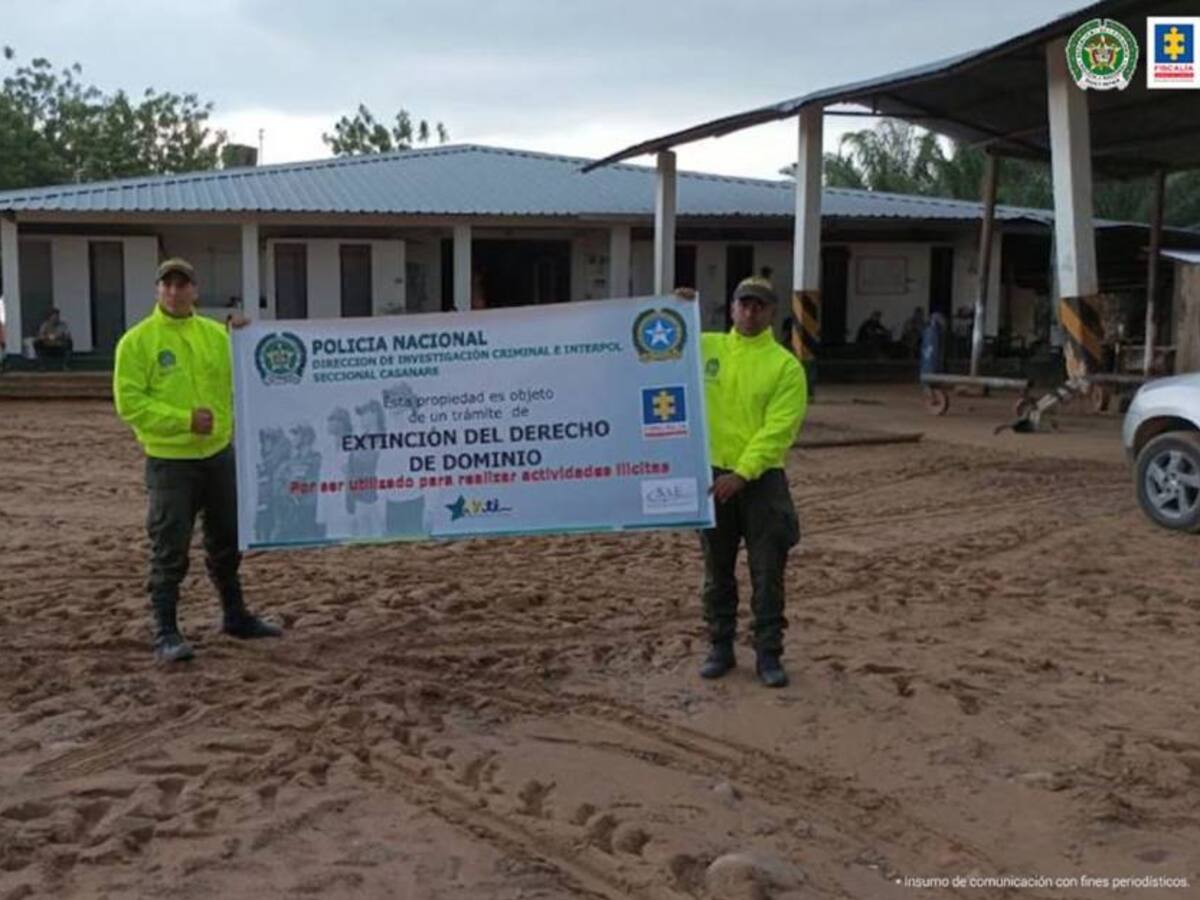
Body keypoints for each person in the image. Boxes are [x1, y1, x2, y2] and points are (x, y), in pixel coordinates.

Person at [113, 257, 282, 663]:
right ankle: (166, 632)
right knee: (170, 546)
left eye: (182, 284)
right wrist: (184, 421)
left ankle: (235, 616)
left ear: (195, 290)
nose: (174, 291)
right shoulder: (137, 342)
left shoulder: (216, 336)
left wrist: (248, 336)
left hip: (219, 457)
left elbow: (251, 371)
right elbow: (130, 404)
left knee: (227, 540)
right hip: (171, 463)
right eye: (167, 285)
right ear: (158, 290)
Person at [679, 277, 807, 687]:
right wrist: (672, 309)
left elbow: (778, 430)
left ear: (771, 312)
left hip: (761, 482)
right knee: (717, 571)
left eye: (759, 306)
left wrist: (743, 473)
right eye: (743, 304)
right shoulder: (706, 349)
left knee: (767, 571)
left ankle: (768, 654)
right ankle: (720, 646)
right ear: (731, 308)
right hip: (712, 478)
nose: (750, 312)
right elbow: (660, 350)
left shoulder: (785, 366)